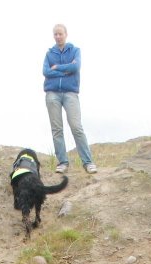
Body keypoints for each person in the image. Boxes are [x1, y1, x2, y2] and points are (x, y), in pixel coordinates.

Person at [43, 24, 97, 175]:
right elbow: (45, 71)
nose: (58, 36)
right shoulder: (49, 54)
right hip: (52, 93)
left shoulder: (75, 50)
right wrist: (65, 70)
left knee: (76, 127)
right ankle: (62, 162)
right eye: (55, 34)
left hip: (70, 94)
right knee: (57, 129)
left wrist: (57, 68)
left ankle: (88, 162)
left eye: (60, 34)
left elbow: (76, 67)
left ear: (66, 34)